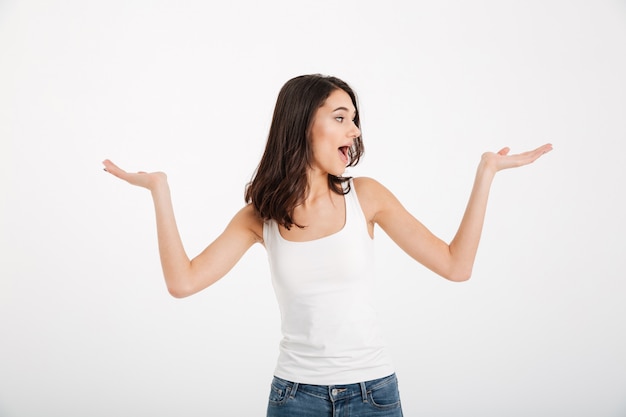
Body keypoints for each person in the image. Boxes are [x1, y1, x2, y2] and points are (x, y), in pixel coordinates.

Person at [102, 74, 552, 416]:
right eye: (340, 118)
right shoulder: (261, 216)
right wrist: (159, 190)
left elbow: (456, 266)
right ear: (301, 125)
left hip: (373, 395)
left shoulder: (367, 196)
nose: (353, 130)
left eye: (354, 119)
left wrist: (486, 172)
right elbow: (182, 282)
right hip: (294, 398)